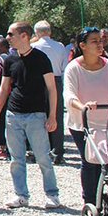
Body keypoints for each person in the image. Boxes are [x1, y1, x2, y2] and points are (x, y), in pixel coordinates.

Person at [0, 22, 61, 209]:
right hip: (13, 115)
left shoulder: (41, 58)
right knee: (16, 159)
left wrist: (52, 115)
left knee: (43, 157)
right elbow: (4, 88)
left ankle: (52, 195)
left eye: (11, 34)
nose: (7, 38)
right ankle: (21, 195)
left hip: (36, 115)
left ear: (24, 36)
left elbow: (52, 89)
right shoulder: (10, 60)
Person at [63, 28, 108, 204]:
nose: (100, 44)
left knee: (106, 162)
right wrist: (82, 106)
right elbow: (69, 96)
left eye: (100, 41)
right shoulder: (73, 68)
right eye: (94, 41)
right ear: (83, 45)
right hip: (82, 123)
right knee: (89, 161)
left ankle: (105, 197)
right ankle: (90, 200)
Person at [33, 21, 70, 165]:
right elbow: (64, 67)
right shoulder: (60, 46)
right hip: (56, 79)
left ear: (37, 33)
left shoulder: (35, 47)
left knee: (40, 115)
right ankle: (58, 150)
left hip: (39, 81)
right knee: (56, 114)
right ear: (50, 32)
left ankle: (42, 149)